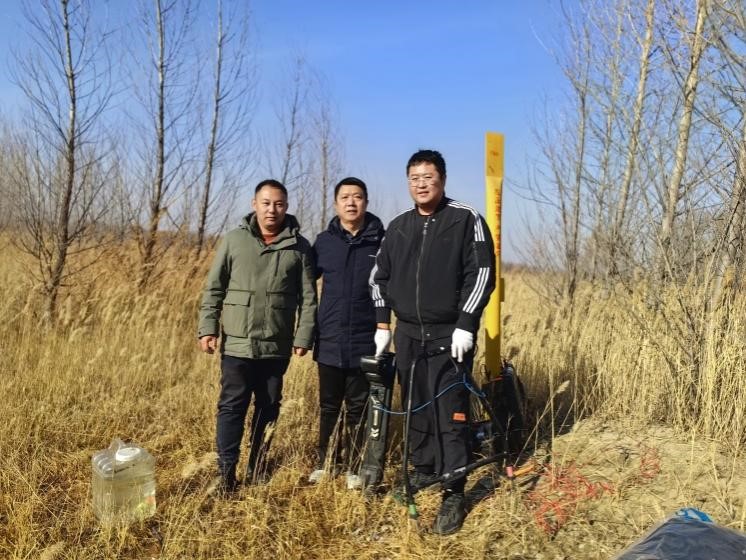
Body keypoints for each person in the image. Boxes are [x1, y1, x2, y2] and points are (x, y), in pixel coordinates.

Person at [370, 149, 495, 534]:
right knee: (416, 407)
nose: (421, 184)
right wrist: (383, 324)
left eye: (428, 177)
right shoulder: (399, 226)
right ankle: (424, 469)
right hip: (408, 336)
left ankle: (454, 489)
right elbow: (378, 277)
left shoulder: (465, 218)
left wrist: (466, 323)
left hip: (449, 336)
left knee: (450, 411)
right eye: (414, 178)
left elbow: (482, 273)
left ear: (442, 179)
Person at [197, 179, 317, 493]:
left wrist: (303, 336)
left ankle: (258, 466)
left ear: (286, 207)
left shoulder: (299, 247)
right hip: (237, 342)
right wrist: (208, 327)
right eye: (266, 203)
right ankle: (226, 472)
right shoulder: (235, 240)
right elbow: (214, 287)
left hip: (276, 345)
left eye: (278, 204)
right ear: (254, 204)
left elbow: (308, 298)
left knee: (269, 406)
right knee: (231, 406)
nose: (272, 210)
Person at [309, 177, 385, 490]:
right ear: (336, 203)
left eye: (357, 197)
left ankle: (354, 467)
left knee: (358, 408)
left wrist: (385, 327)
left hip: (365, 340)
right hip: (329, 338)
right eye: (345, 197)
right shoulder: (324, 242)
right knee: (328, 407)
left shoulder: (381, 242)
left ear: (366, 201)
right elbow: (304, 284)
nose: (351, 202)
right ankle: (324, 463)